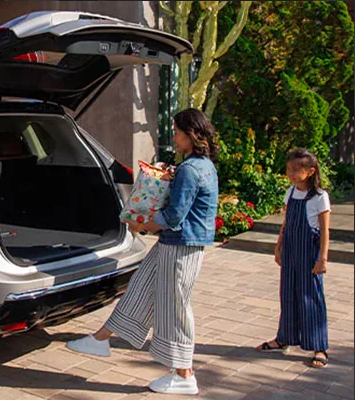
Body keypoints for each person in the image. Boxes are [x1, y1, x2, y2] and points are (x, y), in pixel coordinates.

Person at [66, 108, 219, 395]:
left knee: (174, 307)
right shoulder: (203, 164)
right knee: (140, 287)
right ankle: (101, 339)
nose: (174, 138)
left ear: (191, 134)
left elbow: (174, 216)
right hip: (179, 244)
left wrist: (143, 224)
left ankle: (184, 374)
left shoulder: (190, 169)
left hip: (181, 245)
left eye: (176, 133)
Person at [257, 148, 331, 368]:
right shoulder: (290, 193)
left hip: (309, 250)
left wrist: (323, 258)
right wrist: (278, 245)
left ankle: (319, 346)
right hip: (290, 248)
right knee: (287, 293)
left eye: (295, 170)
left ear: (310, 171)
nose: (290, 173)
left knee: (311, 297)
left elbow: (326, 231)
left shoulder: (320, 197)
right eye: (288, 169)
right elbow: (286, 222)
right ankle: (284, 338)